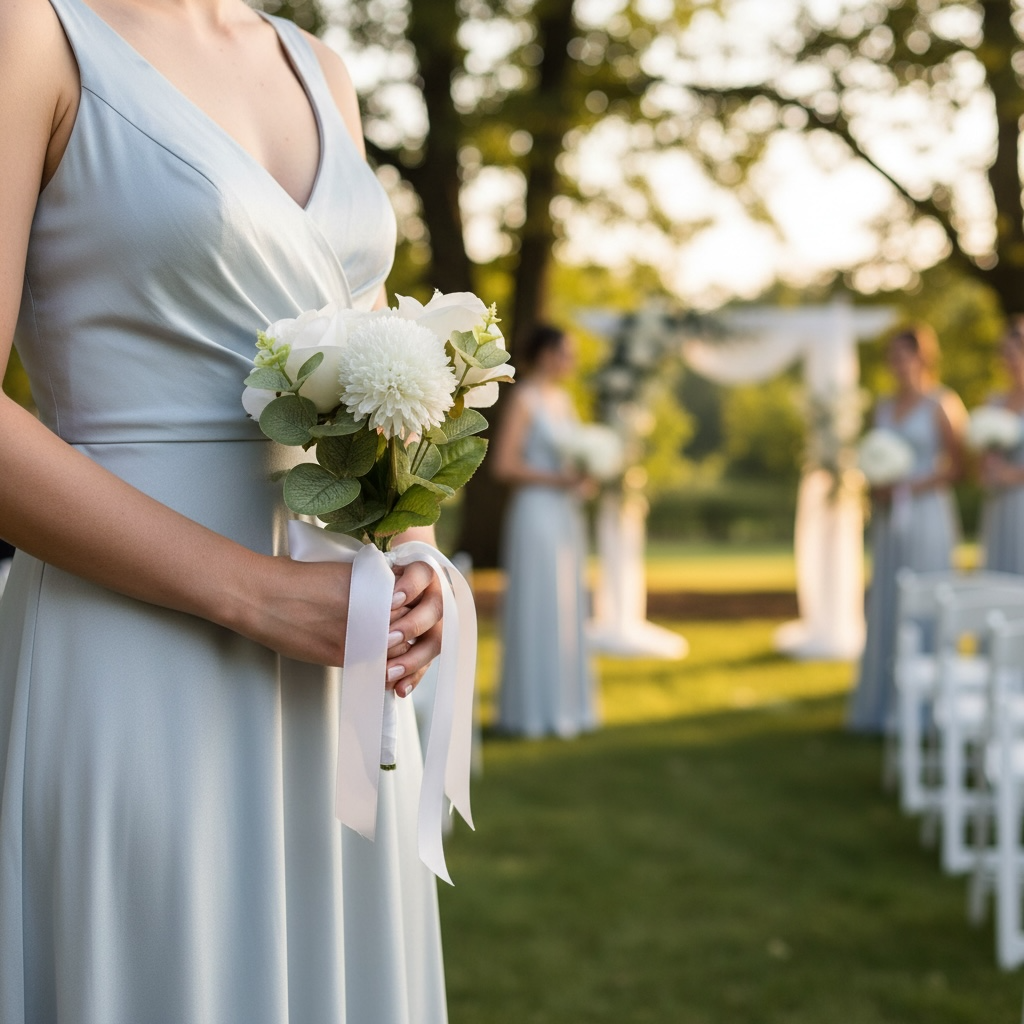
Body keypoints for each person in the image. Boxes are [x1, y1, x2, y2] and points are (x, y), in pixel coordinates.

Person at [0, 1, 449, 1021]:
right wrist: (260, 597)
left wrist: (410, 542)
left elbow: (366, 366)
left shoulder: (318, 66)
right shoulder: (31, 34)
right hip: (132, 638)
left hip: (344, 655)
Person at [848, 325, 967, 734]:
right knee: (886, 600)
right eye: (892, 356)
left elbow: (956, 466)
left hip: (927, 514)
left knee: (926, 599)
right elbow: (870, 457)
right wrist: (878, 486)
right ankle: (880, 706)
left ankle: (927, 713)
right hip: (888, 520)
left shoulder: (942, 403)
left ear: (922, 358)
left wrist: (911, 485)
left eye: (904, 355)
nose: (897, 364)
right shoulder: (882, 406)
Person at [492, 324, 599, 738]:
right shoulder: (525, 399)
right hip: (535, 514)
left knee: (565, 604)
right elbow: (504, 464)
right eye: (565, 353)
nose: (571, 361)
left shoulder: (564, 399)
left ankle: (566, 706)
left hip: (565, 516)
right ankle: (529, 712)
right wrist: (559, 482)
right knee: (538, 602)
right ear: (545, 354)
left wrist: (583, 476)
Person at [979, 323, 1024, 574]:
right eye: (1006, 353)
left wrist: (1012, 475)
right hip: (999, 502)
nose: (1012, 359)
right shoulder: (993, 401)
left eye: (1018, 351)